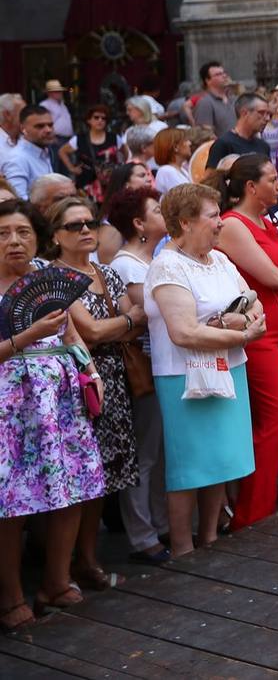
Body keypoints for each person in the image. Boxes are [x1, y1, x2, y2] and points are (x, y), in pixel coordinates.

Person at [0, 199, 105, 631]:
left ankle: (56, 582)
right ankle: (10, 598)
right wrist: (28, 335)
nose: (14, 241)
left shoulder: (45, 278)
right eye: (3, 233)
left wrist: (90, 369)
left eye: (23, 232)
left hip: (61, 399)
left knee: (74, 488)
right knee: (11, 501)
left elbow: (73, 332)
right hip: (11, 406)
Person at [145, 183, 266, 556]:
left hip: (228, 368)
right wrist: (241, 330)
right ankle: (183, 548)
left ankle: (210, 537)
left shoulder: (220, 260)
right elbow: (183, 332)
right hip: (184, 378)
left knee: (220, 461)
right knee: (189, 468)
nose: (220, 223)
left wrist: (238, 324)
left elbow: (254, 302)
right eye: (213, 216)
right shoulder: (168, 265)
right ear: (185, 222)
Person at [48, 196, 145, 591]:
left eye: (89, 222)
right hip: (76, 381)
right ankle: (65, 566)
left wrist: (119, 324)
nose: (86, 230)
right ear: (55, 235)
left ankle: (87, 560)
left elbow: (138, 324)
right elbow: (89, 332)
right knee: (80, 475)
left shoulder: (106, 272)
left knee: (102, 476)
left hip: (113, 378)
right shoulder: (52, 275)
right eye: (74, 225)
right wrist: (123, 320)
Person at [213, 154, 278, 528]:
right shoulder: (234, 224)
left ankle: (258, 503)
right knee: (276, 418)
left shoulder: (269, 222)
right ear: (251, 187)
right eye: (272, 179)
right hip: (258, 336)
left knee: (271, 419)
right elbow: (273, 277)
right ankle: (253, 512)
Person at [107, 187, 171, 565]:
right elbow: (146, 314)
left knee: (160, 451)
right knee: (144, 454)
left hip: (161, 361)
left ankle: (160, 524)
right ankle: (142, 535)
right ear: (138, 223)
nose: (164, 213)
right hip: (143, 367)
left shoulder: (151, 259)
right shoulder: (126, 265)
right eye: (156, 210)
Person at [57, 104, 119, 202]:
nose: (100, 120)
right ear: (89, 120)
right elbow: (62, 151)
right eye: (96, 117)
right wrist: (71, 168)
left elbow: (126, 153)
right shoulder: (79, 139)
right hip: (86, 183)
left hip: (109, 183)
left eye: (104, 118)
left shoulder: (114, 138)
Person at [2, 105, 56, 198]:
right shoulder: (17, 159)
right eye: (40, 126)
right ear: (23, 129)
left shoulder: (44, 151)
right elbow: (19, 201)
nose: (48, 130)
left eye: (50, 125)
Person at [206, 93, 271, 169]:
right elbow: (210, 178)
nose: (267, 118)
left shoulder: (264, 146)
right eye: (261, 113)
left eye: (268, 114)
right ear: (244, 113)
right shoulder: (223, 144)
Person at [194, 62, 238, 137]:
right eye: (218, 74)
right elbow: (206, 134)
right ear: (207, 80)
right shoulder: (205, 103)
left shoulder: (234, 99)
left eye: (224, 73)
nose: (224, 76)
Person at [153, 127, 194, 193]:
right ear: (175, 147)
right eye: (186, 140)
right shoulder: (166, 171)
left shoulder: (182, 170)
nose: (190, 143)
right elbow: (186, 197)